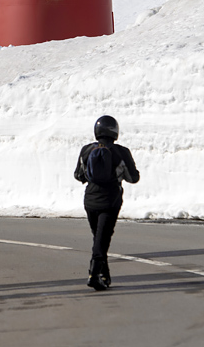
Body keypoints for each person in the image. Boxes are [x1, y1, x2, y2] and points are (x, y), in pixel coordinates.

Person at [74, 115, 140, 291]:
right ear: (115, 131)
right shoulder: (121, 152)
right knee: (102, 239)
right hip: (111, 200)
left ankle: (104, 274)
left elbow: (78, 175)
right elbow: (133, 178)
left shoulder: (86, 150)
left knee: (99, 238)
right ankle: (94, 274)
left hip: (90, 200)